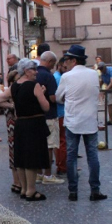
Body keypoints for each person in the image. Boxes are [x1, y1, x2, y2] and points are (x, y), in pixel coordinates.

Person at [57, 44, 105, 202]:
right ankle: (95, 190)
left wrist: (67, 99)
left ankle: (73, 191)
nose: (65, 63)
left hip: (73, 121)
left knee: (71, 156)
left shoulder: (67, 77)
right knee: (93, 156)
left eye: (67, 60)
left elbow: (58, 97)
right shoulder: (93, 74)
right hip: (90, 120)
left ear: (73, 61)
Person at [12, 58, 51, 201]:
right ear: (26, 71)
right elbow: (46, 106)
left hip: (20, 124)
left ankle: (23, 189)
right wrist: (42, 92)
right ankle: (31, 190)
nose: (36, 72)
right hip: (34, 124)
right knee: (32, 158)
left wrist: (14, 107)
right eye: (34, 70)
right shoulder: (34, 85)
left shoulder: (14, 86)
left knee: (21, 158)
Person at [35, 51, 64, 184]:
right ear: (50, 62)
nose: (53, 66)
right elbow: (53, 97)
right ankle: (47, 175)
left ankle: (38, 173)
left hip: (36, 115)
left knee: (38, 145)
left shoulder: (33, 74)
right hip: (49, 115)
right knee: (49, 145)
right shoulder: (49, 76)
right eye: (53, 63)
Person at [0, 69, 23, 195]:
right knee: (14, 149)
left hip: (15, 122)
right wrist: (12, 106)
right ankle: (17, 182)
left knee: (15, 149)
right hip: (13, 123)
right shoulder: (12, 90)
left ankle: (18, 182)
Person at [53, 55, 71, 176]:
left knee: (60, 141)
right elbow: (60, 97)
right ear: (59, 66)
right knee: (63, 141)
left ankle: (61, 164)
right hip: (61, 113)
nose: (67, 69)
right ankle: (63, 166)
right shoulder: (60, 78)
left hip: (60, 113)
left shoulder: (57, 76)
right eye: (65, 67)